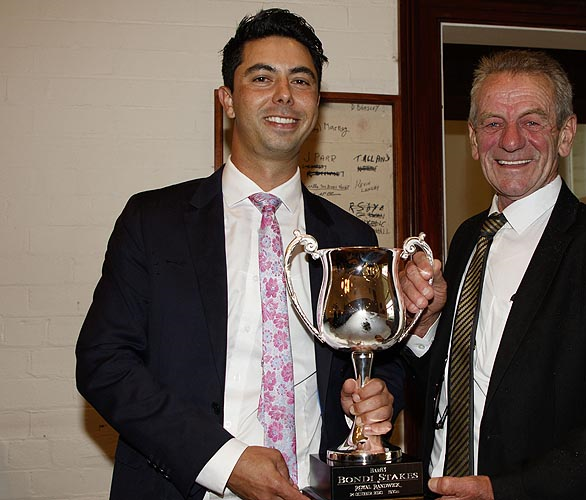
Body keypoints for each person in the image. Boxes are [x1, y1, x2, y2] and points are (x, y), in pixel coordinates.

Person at [76, 9, 404, 500]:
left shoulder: (351, 233)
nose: (284, 95)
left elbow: (381, 355)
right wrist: (225, 462)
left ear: (316, 103)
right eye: (261, 77)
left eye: (301, 80)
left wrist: (383, 394)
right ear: (227, 101)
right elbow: (103, 363)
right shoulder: (153, 221)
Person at [400, 49, 586, 500]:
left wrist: (503, 491)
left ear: (565, 134)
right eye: (492, 123)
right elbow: (457, 385)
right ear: (472, 139)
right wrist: (426, 327)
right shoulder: (468, 237)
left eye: (532, 121)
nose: (510, 141)